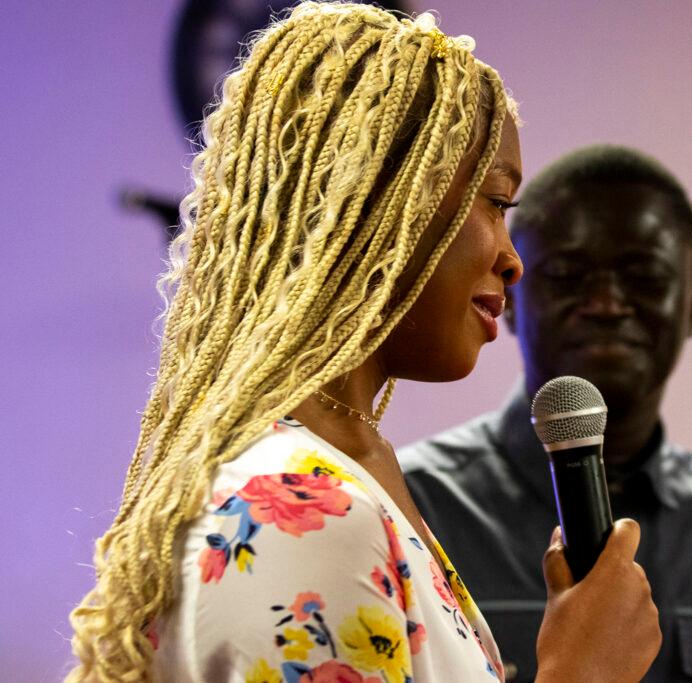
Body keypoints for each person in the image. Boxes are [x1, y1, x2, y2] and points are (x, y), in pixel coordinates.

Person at [66, 7, 661, 682]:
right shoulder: (305, 510)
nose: (510, 257)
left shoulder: (345, 470)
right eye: (497, 203)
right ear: (381, 196)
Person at [400, 145, 692, 682]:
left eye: (645, 277)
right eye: (567, 275)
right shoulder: (414, 506)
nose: (608, 304)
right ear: (510, 300)